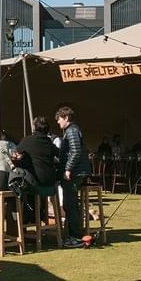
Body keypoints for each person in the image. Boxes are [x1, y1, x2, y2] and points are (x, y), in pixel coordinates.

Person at [56, 104, 91, 249]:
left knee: (70, 204)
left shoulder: (71, 131)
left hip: (75, 172)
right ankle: (73, 234)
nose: (58, 122)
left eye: (59, 119)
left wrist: (68, 169)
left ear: (66, 117)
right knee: (70, 204)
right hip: (78, 171)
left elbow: (76, 151)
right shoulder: (72, 131)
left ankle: (76, 236)